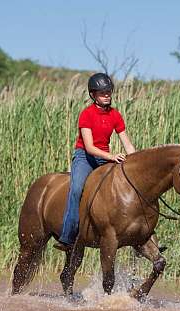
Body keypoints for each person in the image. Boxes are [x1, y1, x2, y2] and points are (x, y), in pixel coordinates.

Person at [55, 72, 136, 251]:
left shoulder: (115, 115)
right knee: (76, 189)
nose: (106, 95)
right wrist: (112, 157)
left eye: (108, 92)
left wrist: (136, 162)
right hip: (85, 157)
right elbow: (90, 147)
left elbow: (127, 143)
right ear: (93, 95)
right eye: (102, 92)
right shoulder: (87, 114)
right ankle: (67, 236)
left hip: (105, 157)